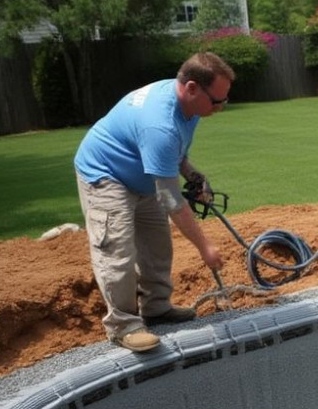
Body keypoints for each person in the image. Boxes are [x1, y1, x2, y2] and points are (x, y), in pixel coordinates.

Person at [74, 52, 230, 352]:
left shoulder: (191, 108)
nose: (220, 108)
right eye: (216, 101)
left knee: (157, 243)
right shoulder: (159, 123)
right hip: (106, 174)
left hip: (143, 172)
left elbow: (177, 152)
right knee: (117, 248)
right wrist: (205, 247)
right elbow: (172, 200)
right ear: (192, 88)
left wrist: (193, 175)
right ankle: (123, 325)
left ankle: (156, 308)